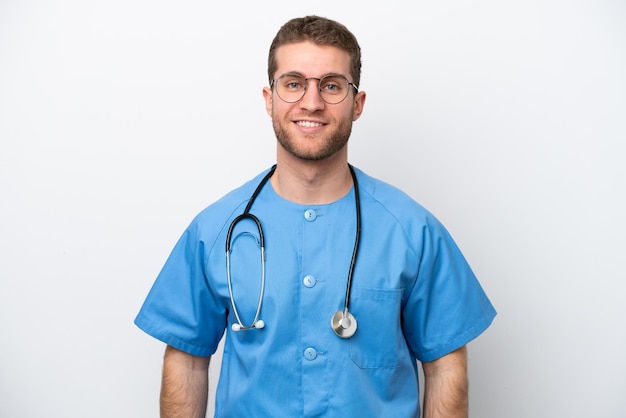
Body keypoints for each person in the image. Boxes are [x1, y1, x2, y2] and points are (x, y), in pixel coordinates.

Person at [135, 15, 496, 418]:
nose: (312, 102)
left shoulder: (413, 231)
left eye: (331, 85)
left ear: (356, 104)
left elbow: (446, 365)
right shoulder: (214, 230)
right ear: (269, 99)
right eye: (293, 84)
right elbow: (186, 361)